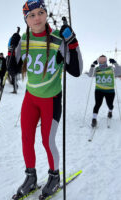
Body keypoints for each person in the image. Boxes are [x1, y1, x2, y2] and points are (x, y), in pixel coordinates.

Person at [9, 0, 83, 198]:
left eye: (40, 12)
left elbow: (76, 70)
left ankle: (54, 176)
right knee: (26, 138)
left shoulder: (58, 39)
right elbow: (13, 71)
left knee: (47, 141)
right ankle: (31, 176)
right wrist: (11, 49)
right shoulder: (25, 39)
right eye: (31, 15)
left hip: (51, 99)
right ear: (26, 19)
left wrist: (73, 44)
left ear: (46, 13)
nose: (37, 18)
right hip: (30, 98)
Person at [88, 55, 121, 127]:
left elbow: (119, 72)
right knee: (97, 104)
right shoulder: (96, 69)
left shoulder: (111, 68)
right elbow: (90, 75)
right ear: (98, 61)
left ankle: (110, 111)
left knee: (110, 105)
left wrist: (115, 63)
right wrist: (92, 65)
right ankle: (94, 119)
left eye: (103, 61)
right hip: (99, 90)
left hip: (110, 91)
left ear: (106, 61)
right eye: (100, 61)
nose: (102, 63)